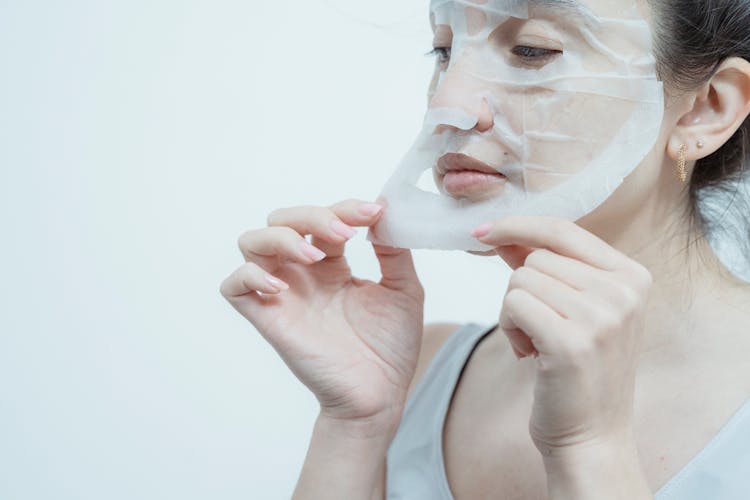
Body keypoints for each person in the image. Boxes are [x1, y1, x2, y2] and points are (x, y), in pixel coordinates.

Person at [220, 1, 750, 498]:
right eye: (445, 51)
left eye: (533, 50)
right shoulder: (418, 372)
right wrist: (353, 429)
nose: (447, 106)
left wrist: (591, 450)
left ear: (704, 110)